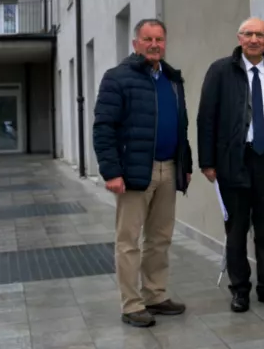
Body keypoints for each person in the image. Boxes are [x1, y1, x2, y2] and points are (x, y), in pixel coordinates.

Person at [93, 18, 193, 328]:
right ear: (136, 43)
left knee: (160, 239)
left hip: (168, 168)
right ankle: (132, 304)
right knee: (129, 241)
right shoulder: (117, 78)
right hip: (135, 172)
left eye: (159, 39)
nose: (154, 45)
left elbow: (182, 127)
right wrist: (111, 171)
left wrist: (185, 166)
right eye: (147, 39)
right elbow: (103, 128)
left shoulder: (173, 80)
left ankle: (155, 295)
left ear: (165, 43)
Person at [197, 17, 264, 312]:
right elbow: (206, 118)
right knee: (236, 231)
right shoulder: (220, 71)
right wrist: (207, 162)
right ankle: (240, 290)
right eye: (249, 34)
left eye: (260, 35)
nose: (254, 39)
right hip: (233, 161)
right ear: (239, 38)